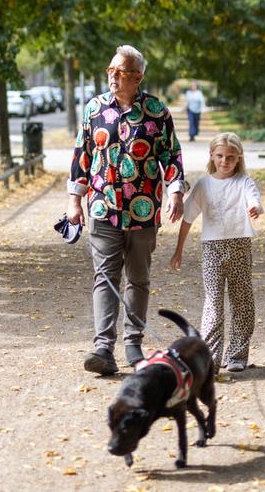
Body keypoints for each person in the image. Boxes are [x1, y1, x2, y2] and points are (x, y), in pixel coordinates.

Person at [68, 45, 186, 375]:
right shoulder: (94, 109)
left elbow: (171, 155)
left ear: (138, 78)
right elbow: (81, 156)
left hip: (143, 209)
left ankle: (133, 344)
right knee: (105, 277)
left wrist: (176, 191)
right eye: (111, 70)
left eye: (120, 72)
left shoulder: (156, 112)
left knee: (138, 277)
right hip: (103, 207)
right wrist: (74, 199)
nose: (113, 77)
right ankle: (103, 349)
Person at [168, 132, 262, 373]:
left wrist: (254, 207)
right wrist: (178, 250)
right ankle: (210, 358)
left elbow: (253, 198)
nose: (224, 161)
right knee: (213, 303)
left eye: (230, 157)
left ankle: (237, 356)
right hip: (212, 249)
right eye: (220, 156)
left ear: (239, 157)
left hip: (240, 246)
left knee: (242, 301)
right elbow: (188, 218)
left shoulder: (244, 182)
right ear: (211, 155)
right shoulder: (204, 185)